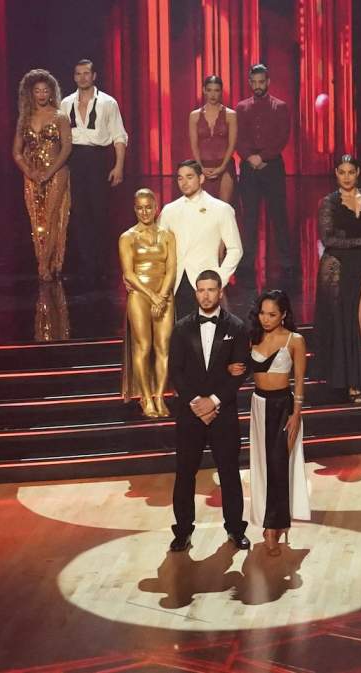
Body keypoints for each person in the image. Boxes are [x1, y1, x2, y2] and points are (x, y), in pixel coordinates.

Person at [166, 270, 250, 553]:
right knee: (185, 473)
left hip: (222, 413)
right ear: (195, 293)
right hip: (190, 413)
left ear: (220, 291)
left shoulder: (237, 327)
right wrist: (196, 403)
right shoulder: (181, 328)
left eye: (211, 289)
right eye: (201, 290)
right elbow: (175, 371)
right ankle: (182, 532)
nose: (205, 295)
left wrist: (213, 401)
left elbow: (240, 371)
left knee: (229, 472)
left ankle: (235, 529)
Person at [314, 155, 361, 403]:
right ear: (336, 173)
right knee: (343, 323)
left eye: (351, 172)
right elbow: (328, 239)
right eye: (342, 172)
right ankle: (352, 380)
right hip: (336, 266)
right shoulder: (328, 202)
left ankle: (351, 370)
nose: (346, 177)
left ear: (358, 173)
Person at [246, 290, 311, 555]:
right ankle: (273, 522)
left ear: (283, 314)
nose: (266, 319)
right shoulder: (252, 338)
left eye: (272, 314)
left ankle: (272, 528)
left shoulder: (295, 340)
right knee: (264, 466)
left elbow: (300, 380)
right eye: (262, 313)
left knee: (279, 466)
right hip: (258, 405)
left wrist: (296, 414)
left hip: (283, 407)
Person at [60, 59, 127, 283]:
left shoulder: (108, 102)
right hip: (74, 159)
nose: (82, 77)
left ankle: (102, 265)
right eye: (78, 73)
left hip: (98, 159)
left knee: (100, 212)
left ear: (94, 75)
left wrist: (118, 166)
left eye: (86, 73)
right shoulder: (66, 103)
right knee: (79, 213)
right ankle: (87, 266)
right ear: (74, 77)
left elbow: (119, 135)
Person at [158, 160, 242, 318]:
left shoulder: (221, 209)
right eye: (180, 178)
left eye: (189, 177)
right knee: (180, 330)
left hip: (206, 282)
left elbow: (235, 249)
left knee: (207, 330)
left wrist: (219, 280)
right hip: (176, 283)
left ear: (201, 178)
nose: (184, 182)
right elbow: (159, 249)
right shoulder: (169, 210)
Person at [119, 189, 176, 418]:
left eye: (149, 207)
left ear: (156, 207)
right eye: (140, 208)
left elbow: (171, 269)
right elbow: (129, 274)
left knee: (164, 347)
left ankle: (160, 396)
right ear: (135, 209)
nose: (145, 212)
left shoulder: (167, 235)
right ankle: (146, 397)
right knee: (143, 347)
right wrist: (153, 297)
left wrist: (162, 295)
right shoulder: (127, 237)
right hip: (140, 295)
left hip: (164, 294)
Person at [234, 63, 293, 282]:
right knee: (249, 216)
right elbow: (238, 137)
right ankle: (247, 262)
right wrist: (250, 157)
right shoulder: (241, 108)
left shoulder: (280, 106)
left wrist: (263, 157)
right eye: (254, 82)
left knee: (279, 215)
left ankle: (286, 262)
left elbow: (282, 136)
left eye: (261, 82)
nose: (258, 86)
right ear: (250, 83)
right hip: (249, 167)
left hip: (273, 167)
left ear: (268, 82)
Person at [13, 69, 72, 282]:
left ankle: (45, 265)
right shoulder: (25, 118)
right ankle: (44, 260)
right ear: (31, 93)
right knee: (37, 220)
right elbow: (17, 152)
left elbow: (67, 148)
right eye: (37, 91)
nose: (41, 95)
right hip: (32, 176)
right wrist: (29, 171)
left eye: (45, 91)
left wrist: (50, 171)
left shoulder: (60, 116)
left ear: (51, 92)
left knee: (52, 218)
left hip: (56, 172)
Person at [189, 75, 238, 203]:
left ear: (221, 92)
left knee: (224, 208)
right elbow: (194, 145)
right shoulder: (194, 116)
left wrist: (222, 167)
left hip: (225, 167)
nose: (213, 94)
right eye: (209, 90)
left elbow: (232, 145)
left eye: (216, 90)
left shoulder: (231, 115)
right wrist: (200, 167)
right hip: (203, 167)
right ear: (204, 90)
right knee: (204, 209)